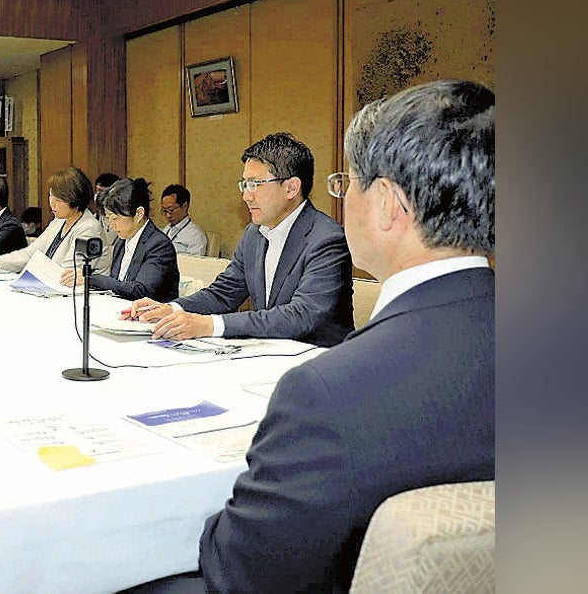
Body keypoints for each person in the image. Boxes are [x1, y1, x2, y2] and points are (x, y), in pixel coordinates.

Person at [197, 79, 495, 592]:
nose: (340, 199)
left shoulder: (327, 394)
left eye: (347, 183)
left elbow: (239, 572)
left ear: (387, 202)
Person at [127, 132, 353, 347]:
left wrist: (210, 325)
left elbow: (301, 315)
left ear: (291, 188)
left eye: (255, 184)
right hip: (268, 353)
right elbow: (224, 293)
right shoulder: (254, 233)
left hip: (318, 360)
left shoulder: (327, 239)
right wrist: (172, 309)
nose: (246, 196)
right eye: (244, 184)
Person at [0, 167, 110, 274]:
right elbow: (30, 253)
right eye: (51, 196)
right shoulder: (59, 221)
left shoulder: (89, 228)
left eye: (58, 200)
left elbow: (69, 272)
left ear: (75, 200)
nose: (52, 204)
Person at [61, 177, 179, 301]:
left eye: (115, 218)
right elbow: (117, 284)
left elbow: (140, 290)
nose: (111, 225)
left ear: (139, 214)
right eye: (108, 218)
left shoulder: (159, 245)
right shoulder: (122, 241)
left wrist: (90, 279)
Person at [159, 183, 208, 256]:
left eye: (171, 210)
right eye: (165, 210)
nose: (168, 215)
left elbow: (195, 262)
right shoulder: (167, 229)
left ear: (185, 206)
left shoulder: (195, 235)